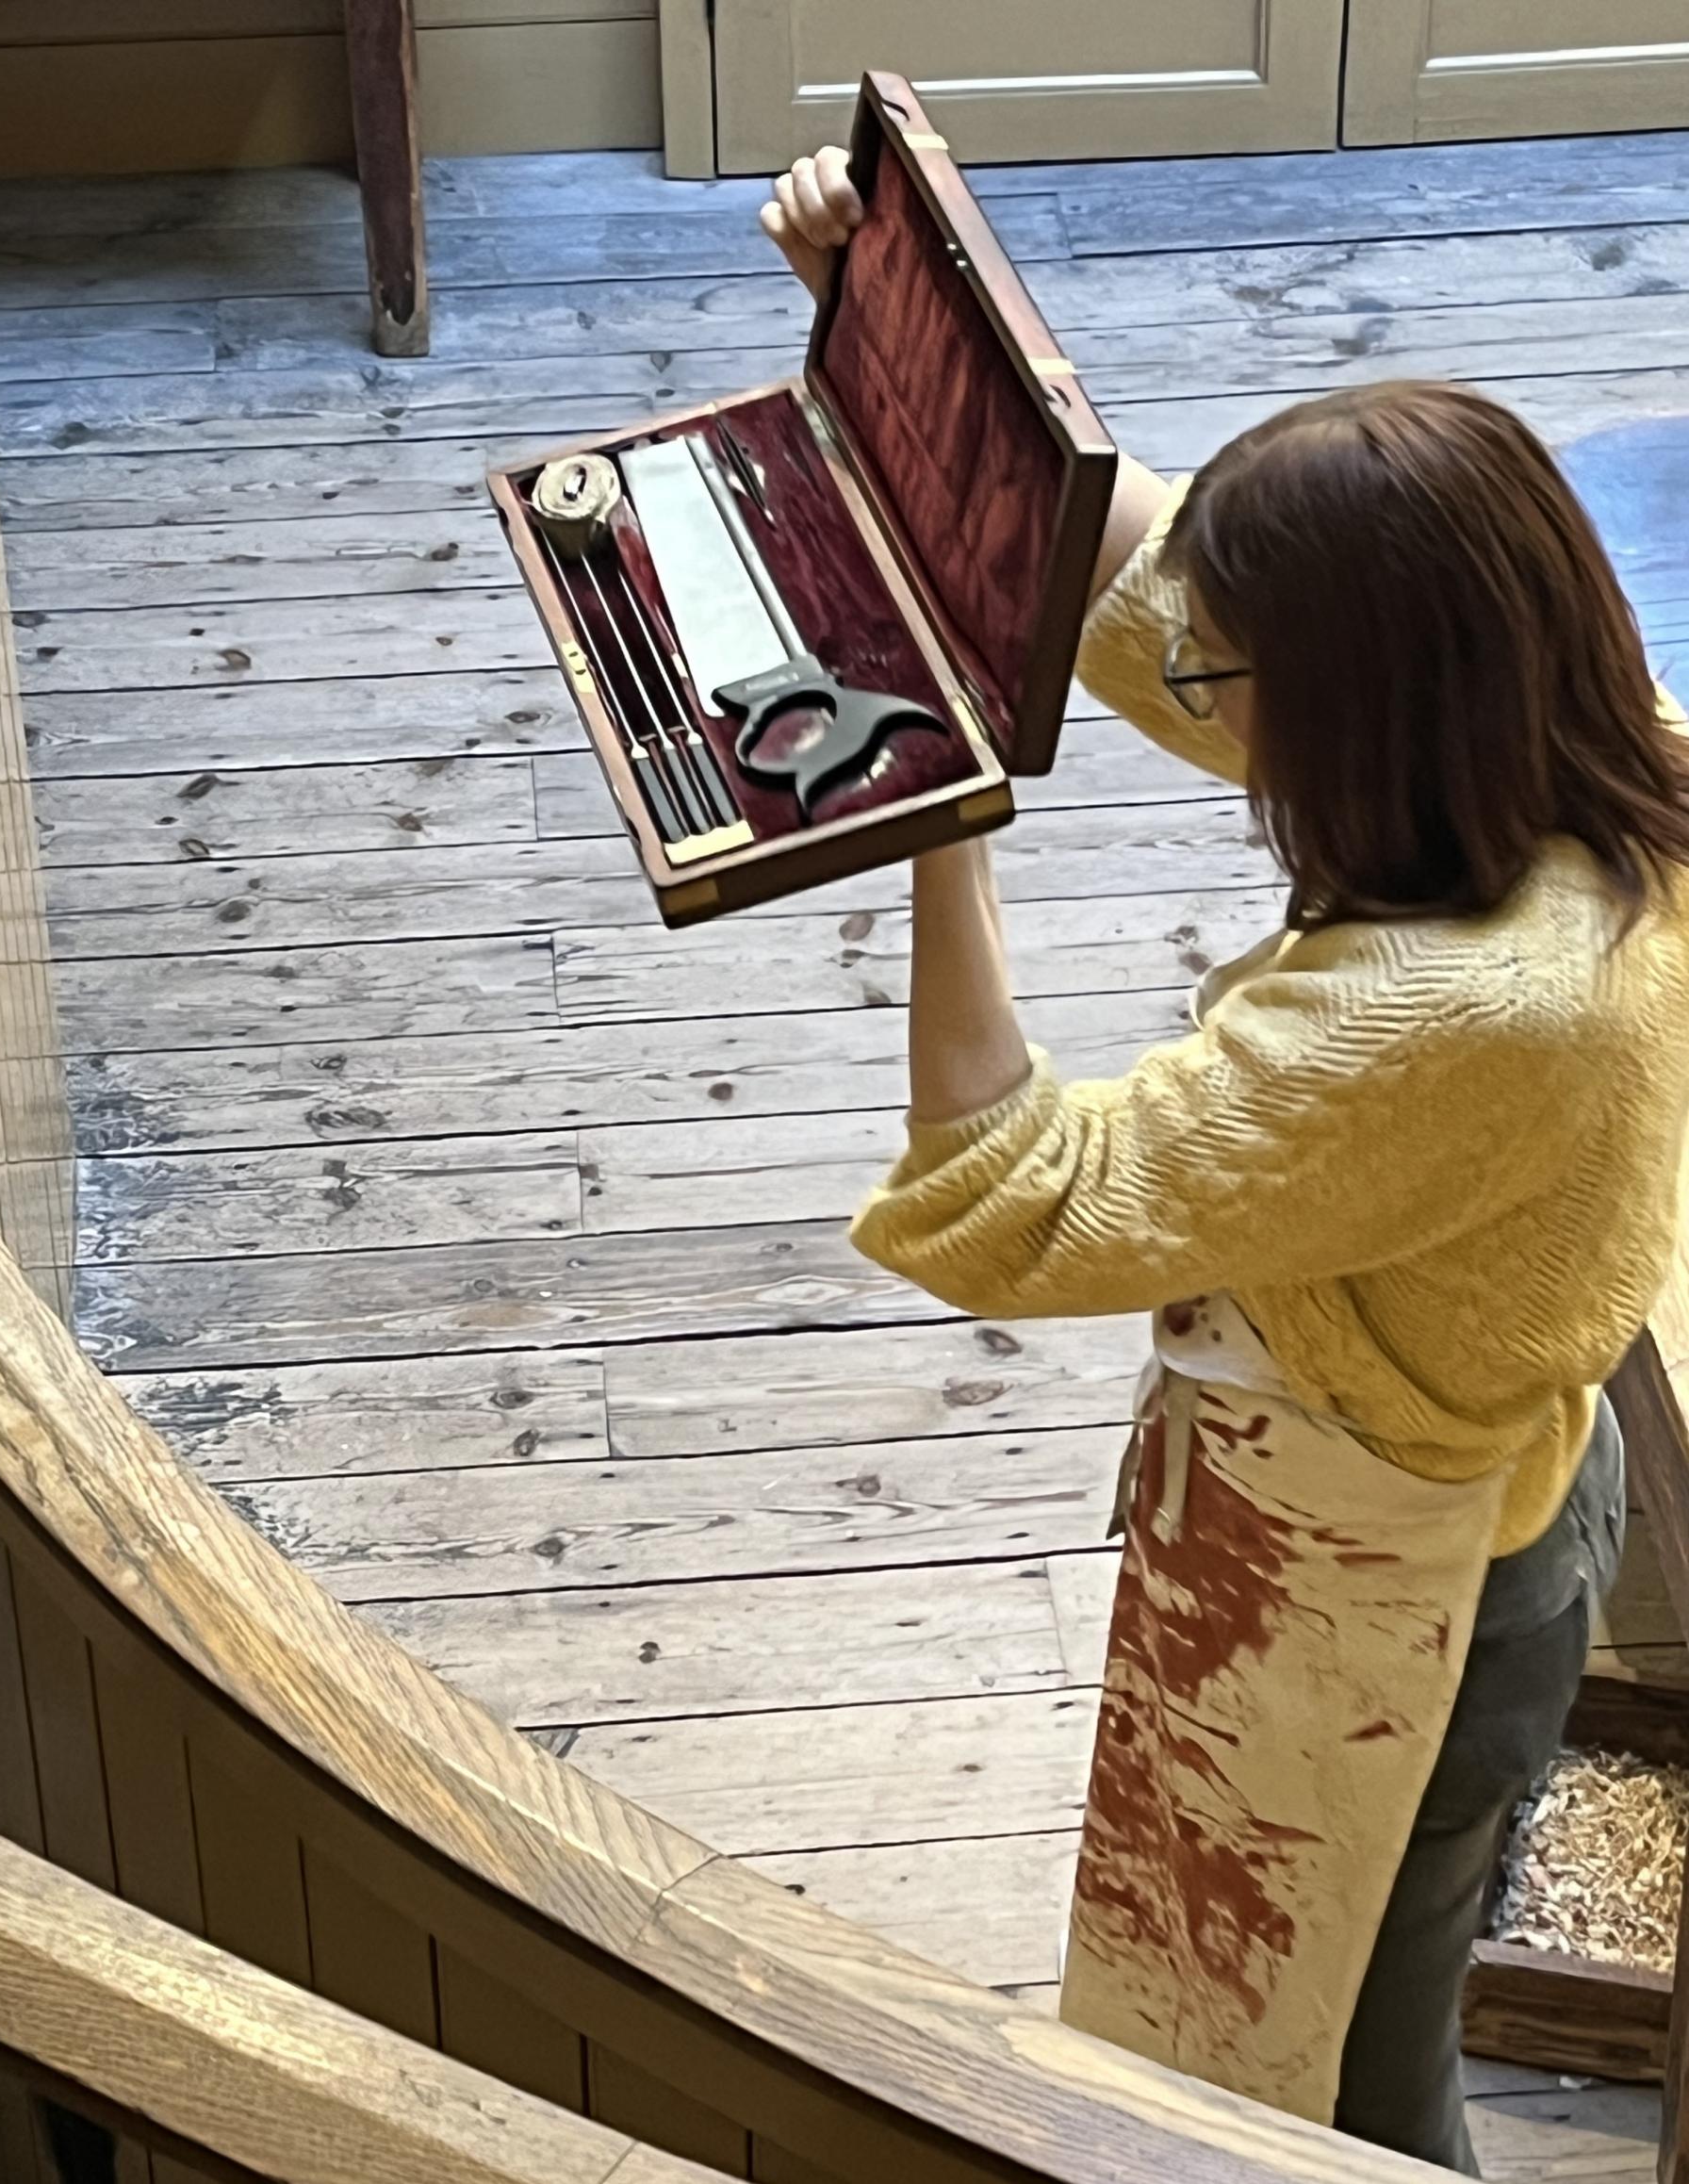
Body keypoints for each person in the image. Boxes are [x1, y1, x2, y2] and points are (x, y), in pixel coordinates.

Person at [762, 150, 1689, 2173]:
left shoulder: (1461, 1016)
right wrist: (896, 323)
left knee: (1334, 2094)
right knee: (1318, 2019)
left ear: (1368, 703)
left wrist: (939, 812)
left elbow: (1010, 1193)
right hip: (1481, 1475)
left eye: (1235, 681)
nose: (1195, 691)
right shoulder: (1595, 737)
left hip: (1416, 1583)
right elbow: (1154, 582)